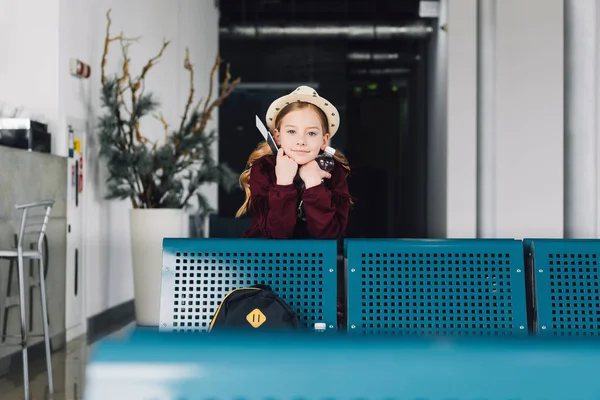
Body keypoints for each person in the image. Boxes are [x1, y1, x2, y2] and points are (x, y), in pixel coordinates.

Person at [236, 86, 352, 239]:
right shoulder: (264, 168)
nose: (301, 141)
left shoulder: (334, 171)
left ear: (324, 141)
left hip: (317, 261)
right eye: (291, 131)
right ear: (277, 137)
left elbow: (328, 235)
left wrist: (314, 183)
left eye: (311, 133)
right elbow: (276, 235)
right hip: (267, 260)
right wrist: (283, 183)